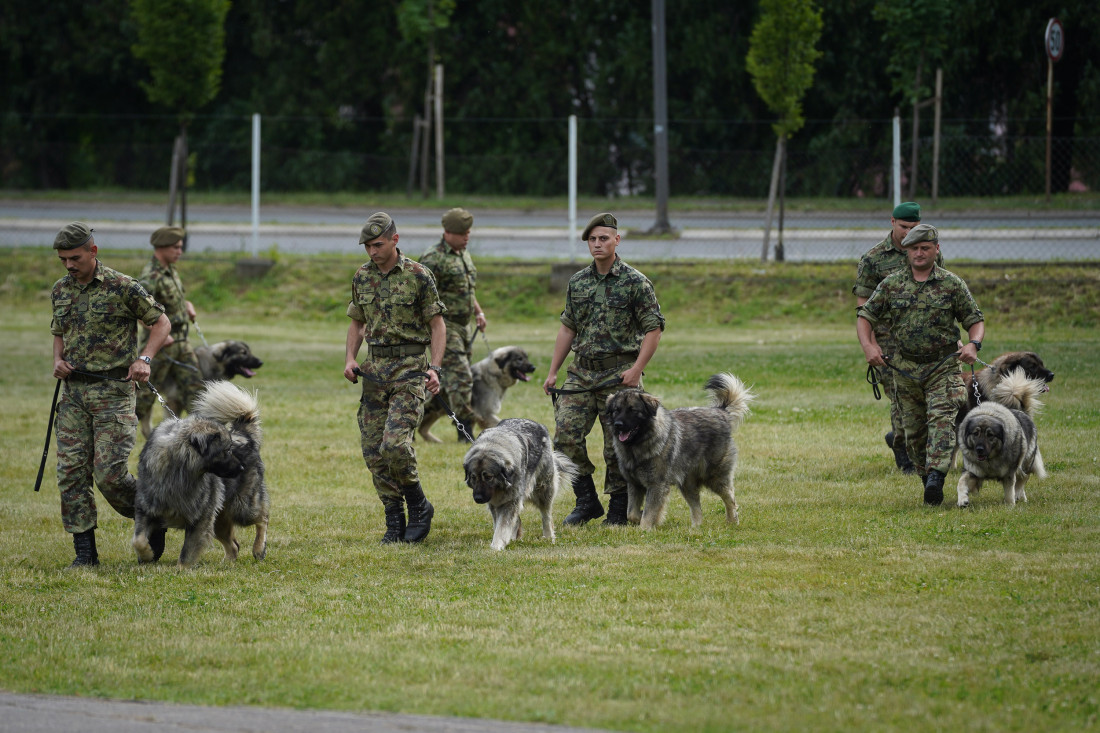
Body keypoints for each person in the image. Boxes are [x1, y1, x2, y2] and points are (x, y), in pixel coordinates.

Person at [49, 222, 171, 566]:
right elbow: (59, 330)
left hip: (113, 393)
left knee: (109, 475)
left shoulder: (122, 287)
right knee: (71, 473)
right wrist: (57, 360)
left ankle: (153, 517)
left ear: (93, 251)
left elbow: (161, 323)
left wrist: (144, 358)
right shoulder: (60, 290)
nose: (69, 265)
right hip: (73, 394)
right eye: (63, 260)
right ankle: (85, 552)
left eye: (75, 258)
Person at [542, 213, 665, 526]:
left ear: (616, 241)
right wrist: (554, 371)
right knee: (565, 437)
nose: (597, 244)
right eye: (592, 240)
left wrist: (637, 371)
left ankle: (618, 509)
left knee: (618, 444)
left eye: (603, 239)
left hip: (619, 375)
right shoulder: (578, 282)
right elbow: (567, 328)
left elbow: (654, 329)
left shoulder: (636, 282)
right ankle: (586, 501)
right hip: (581, 374)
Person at [857, 224, 985, 506]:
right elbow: (866, 316)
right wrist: (869, 346)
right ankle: (927, 476)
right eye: (913, 248)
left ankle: (936, 477)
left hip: (943, 367)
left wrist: (973, 344)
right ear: (907, 251)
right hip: (905, 370)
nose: (919, 253)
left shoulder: (951, 284)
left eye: (925, 248)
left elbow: (974, 320)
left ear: (936, 249)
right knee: (913, 435)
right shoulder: (892, 284)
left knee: (942, 420)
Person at [343, 212, 447, 544]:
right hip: (374, 371)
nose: (372, 252)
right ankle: (394, 518)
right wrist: (349, 358)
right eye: (368, 247)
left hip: (410, 369)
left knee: (395, 444)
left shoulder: (419, 275)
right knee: (374, 450)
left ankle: (418, 505)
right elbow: (358, 322)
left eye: (378, 245)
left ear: (395, 240)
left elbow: (437, 325)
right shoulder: (361, 277)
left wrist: (436, 368)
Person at [852, 202, 944, 475]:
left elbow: (942, 291)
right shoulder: (874, 259)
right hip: (889, 340)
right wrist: (869, 344)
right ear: (892, 222)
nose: (909, 234)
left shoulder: (929, 252)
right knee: (902, 397)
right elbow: (863, 307)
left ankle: (903, 440)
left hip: (926, 338)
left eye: (915, 228)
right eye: (904, 227)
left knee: (928, 396)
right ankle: (905, 454)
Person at [418, 207, 487, 442]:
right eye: (462, 233)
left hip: (464, 326)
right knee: (462, 378)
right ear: (448, 232)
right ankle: (465, 432)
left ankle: (412, 421)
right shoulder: (433, 258)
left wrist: (478, 312)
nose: (467, 237)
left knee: (449, 386)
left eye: (468, 232)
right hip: (444, 327)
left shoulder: (462, 254)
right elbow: (420, 295)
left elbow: (466, 289)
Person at [135, 226, 204, 433]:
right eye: (175, 247)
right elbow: (139, 311)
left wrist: (187, 306)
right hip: (160, 347)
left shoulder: (171, 270)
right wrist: (160, 335)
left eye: (181, 247)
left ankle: (202, 434)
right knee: (145, 395)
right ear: (161, 247)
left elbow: (172, 301)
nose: (179, 252)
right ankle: (121, 433)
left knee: (196, 389)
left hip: (182, 344)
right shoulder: (151, 276)